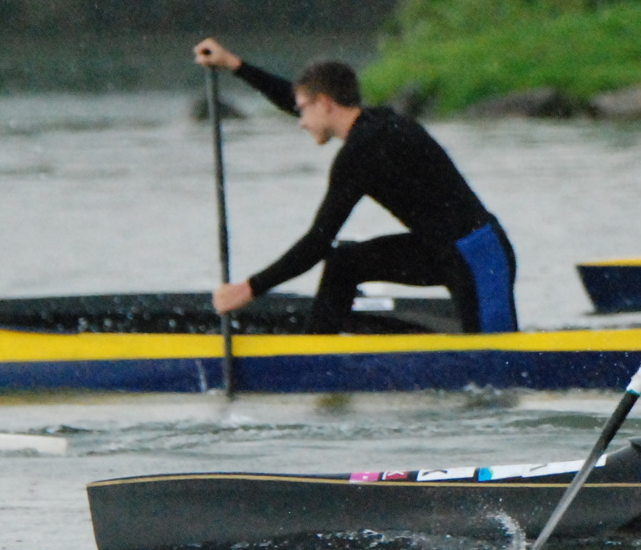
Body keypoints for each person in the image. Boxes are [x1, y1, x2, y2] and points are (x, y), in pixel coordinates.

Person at [193, 39, 517, 335]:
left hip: (479, 256)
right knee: (344, 262)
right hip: (438, 251)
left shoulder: (361, 152)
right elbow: (292, 99)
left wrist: (247, 289)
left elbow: (317, 241)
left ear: (324, 103)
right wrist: (234, 64)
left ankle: (324, 352)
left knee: (497, 370)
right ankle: (317, 353)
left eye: (303, 110)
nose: (300, 121)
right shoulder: (375, 121)